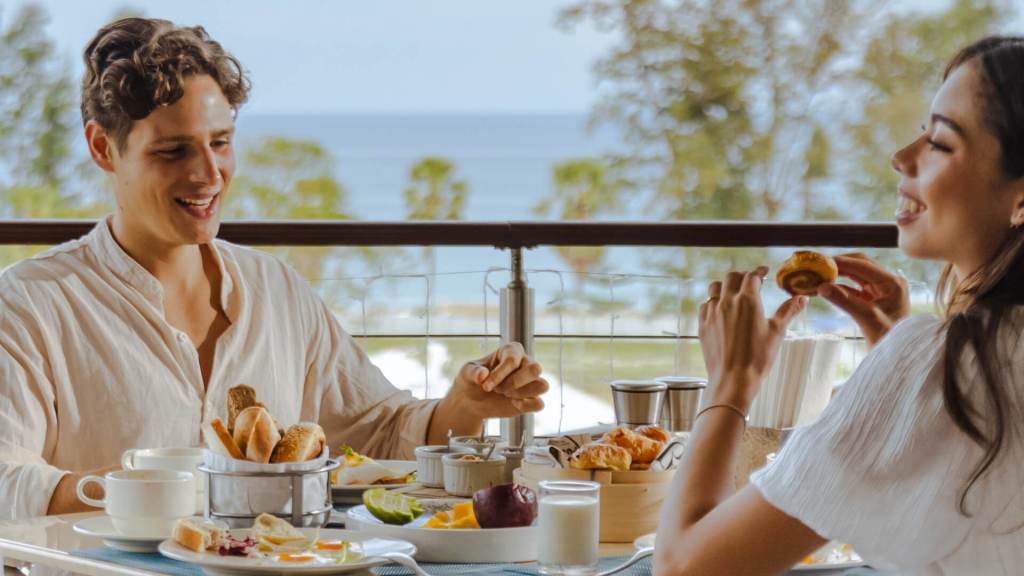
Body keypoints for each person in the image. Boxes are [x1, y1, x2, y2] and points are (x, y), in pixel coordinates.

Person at [0, 17, 548, 519]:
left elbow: (380, 433)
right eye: (173, 152)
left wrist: (463, 404)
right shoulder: (30, 305)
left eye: (220, 143)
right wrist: (143, 490)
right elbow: (6, 479)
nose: (209, 173)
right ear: (103, 147)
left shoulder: (276, 290)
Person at [654, 36, 1024, 575]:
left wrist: (730, 381)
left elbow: (683, 566)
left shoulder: (948, 362)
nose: (902, 157)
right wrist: (894, 358)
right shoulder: (965, 361)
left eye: (940, 143)